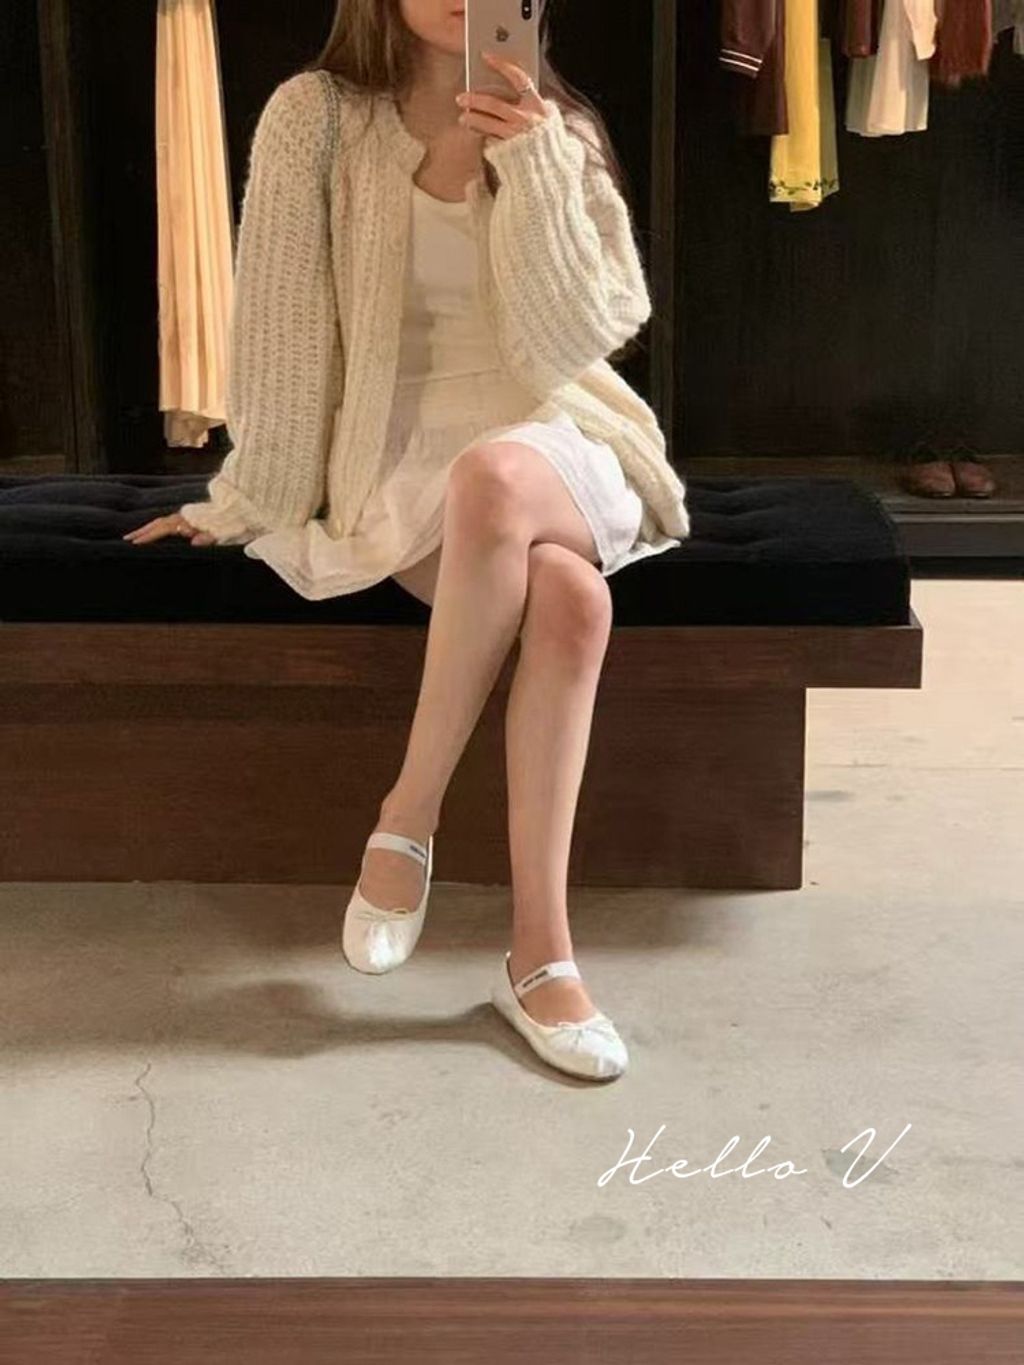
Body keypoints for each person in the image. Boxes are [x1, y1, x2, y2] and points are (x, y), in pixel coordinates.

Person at [124, 0, 691, 1081]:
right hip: (400, 457)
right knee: (572, 600)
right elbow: (284, 334)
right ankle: (541, 959)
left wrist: (531, 167)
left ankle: (407, 817)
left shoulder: (559, 125)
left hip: (561, 438)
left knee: (497, 475)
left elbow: (585, 338)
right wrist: (245, 497)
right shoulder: (314, 118)